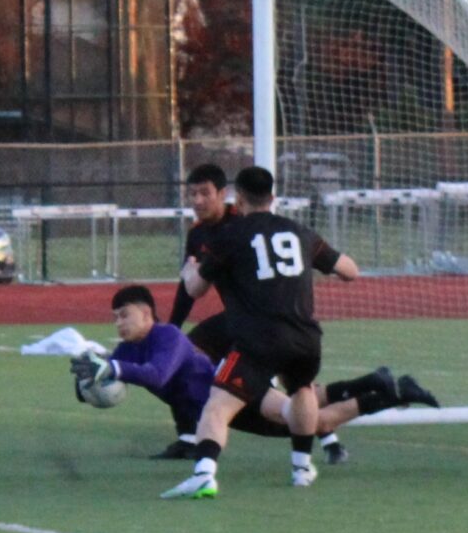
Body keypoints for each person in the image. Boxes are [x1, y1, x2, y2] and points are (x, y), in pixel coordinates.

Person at [164, 166, 359, 499]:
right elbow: (350, 271)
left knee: (217, 406)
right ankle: (301, 469)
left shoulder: (230, 236)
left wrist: (189, 270)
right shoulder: (299, 231)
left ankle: (204, 473)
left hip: (259, 340)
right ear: (273, 197)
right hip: (306, 337)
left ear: (238, 198)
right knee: (302, 390)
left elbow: (195, 290)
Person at [72, 285, 435, 457]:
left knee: (314, 422)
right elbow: (110, 379)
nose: (119, 323)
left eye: (125, 315)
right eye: (115, 317)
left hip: (236, 391)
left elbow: (157, 375)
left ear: (147, 314)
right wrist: (85, 382)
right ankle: (376, 383)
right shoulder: (126, 349)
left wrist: (112, 368)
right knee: (306, 408)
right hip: (227, 409)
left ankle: (394, 393)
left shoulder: (169, 337)